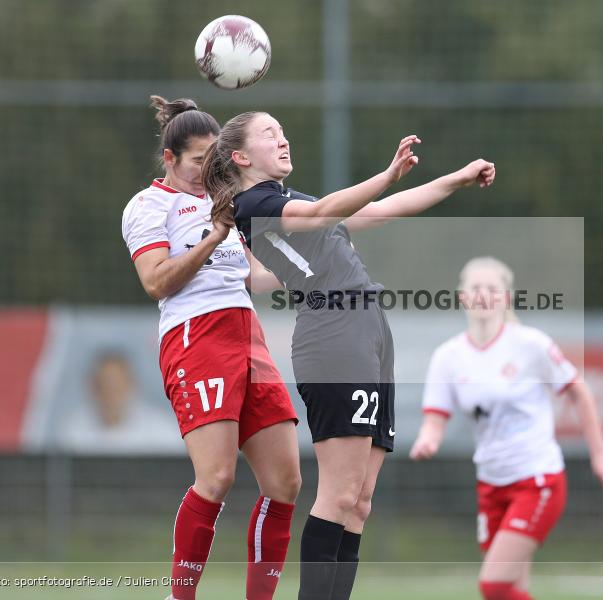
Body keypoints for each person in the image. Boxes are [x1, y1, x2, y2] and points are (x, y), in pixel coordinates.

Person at [201, 110, 495, 600]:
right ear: (240, 156)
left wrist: (455, 179)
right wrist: (383, 174)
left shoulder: (295, 200)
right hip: (333, 331)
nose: (283, 139)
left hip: (368, 327)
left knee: (359, 503)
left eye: (284, 131)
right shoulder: (255, 203)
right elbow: (325, 213)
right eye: (269, 133)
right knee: (338, 495)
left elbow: (381, 210)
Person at [121, 96, 300, 600]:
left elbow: (253, 274)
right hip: (195, 337)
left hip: (248, 337)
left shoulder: (225, 198)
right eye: (199, 161)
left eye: (214, 160)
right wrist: (215, 233)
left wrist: (308, 272)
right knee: (217, 477)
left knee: (286, 482)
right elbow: (157, 282)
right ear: (170, 159)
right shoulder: (149, 205)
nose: (207, 171)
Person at [409, 256, 603, 600]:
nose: (483, 295)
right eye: (475, 287)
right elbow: (434, 422)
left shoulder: (531, 344)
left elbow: (579, 393)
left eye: (491, 288)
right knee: (512, 588)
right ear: (462, 296)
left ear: (506, 297)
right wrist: (427, 441)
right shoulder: (448, 356)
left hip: (538, 480)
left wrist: (601, 456)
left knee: (493, 585)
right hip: (491, 483)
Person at [57, 350, 182, 454]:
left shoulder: (162, 430)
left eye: (117, 385)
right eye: (104, 385)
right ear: (92, 388)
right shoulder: (74, 429)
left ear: (132, 385)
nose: (111, 393)